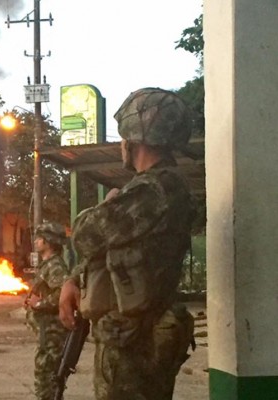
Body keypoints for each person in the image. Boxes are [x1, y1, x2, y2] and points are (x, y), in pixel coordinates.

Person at [59, 88, 196, 400]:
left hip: (135, 342)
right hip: (133, 335)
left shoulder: (154, 190)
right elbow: (109, 247)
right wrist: (73, 277)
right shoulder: (158, 187)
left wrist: (102, 207)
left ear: (135, 139)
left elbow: (85, 234)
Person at [25, 222, 70, 400]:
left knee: (47, 382)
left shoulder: (55, 266)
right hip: (46, 334)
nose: (36, 241)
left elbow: (63, 294)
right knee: (45, 381)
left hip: (52, 335)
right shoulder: (48, 265)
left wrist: (40, 303)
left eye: (40, 238)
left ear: (49, 242)